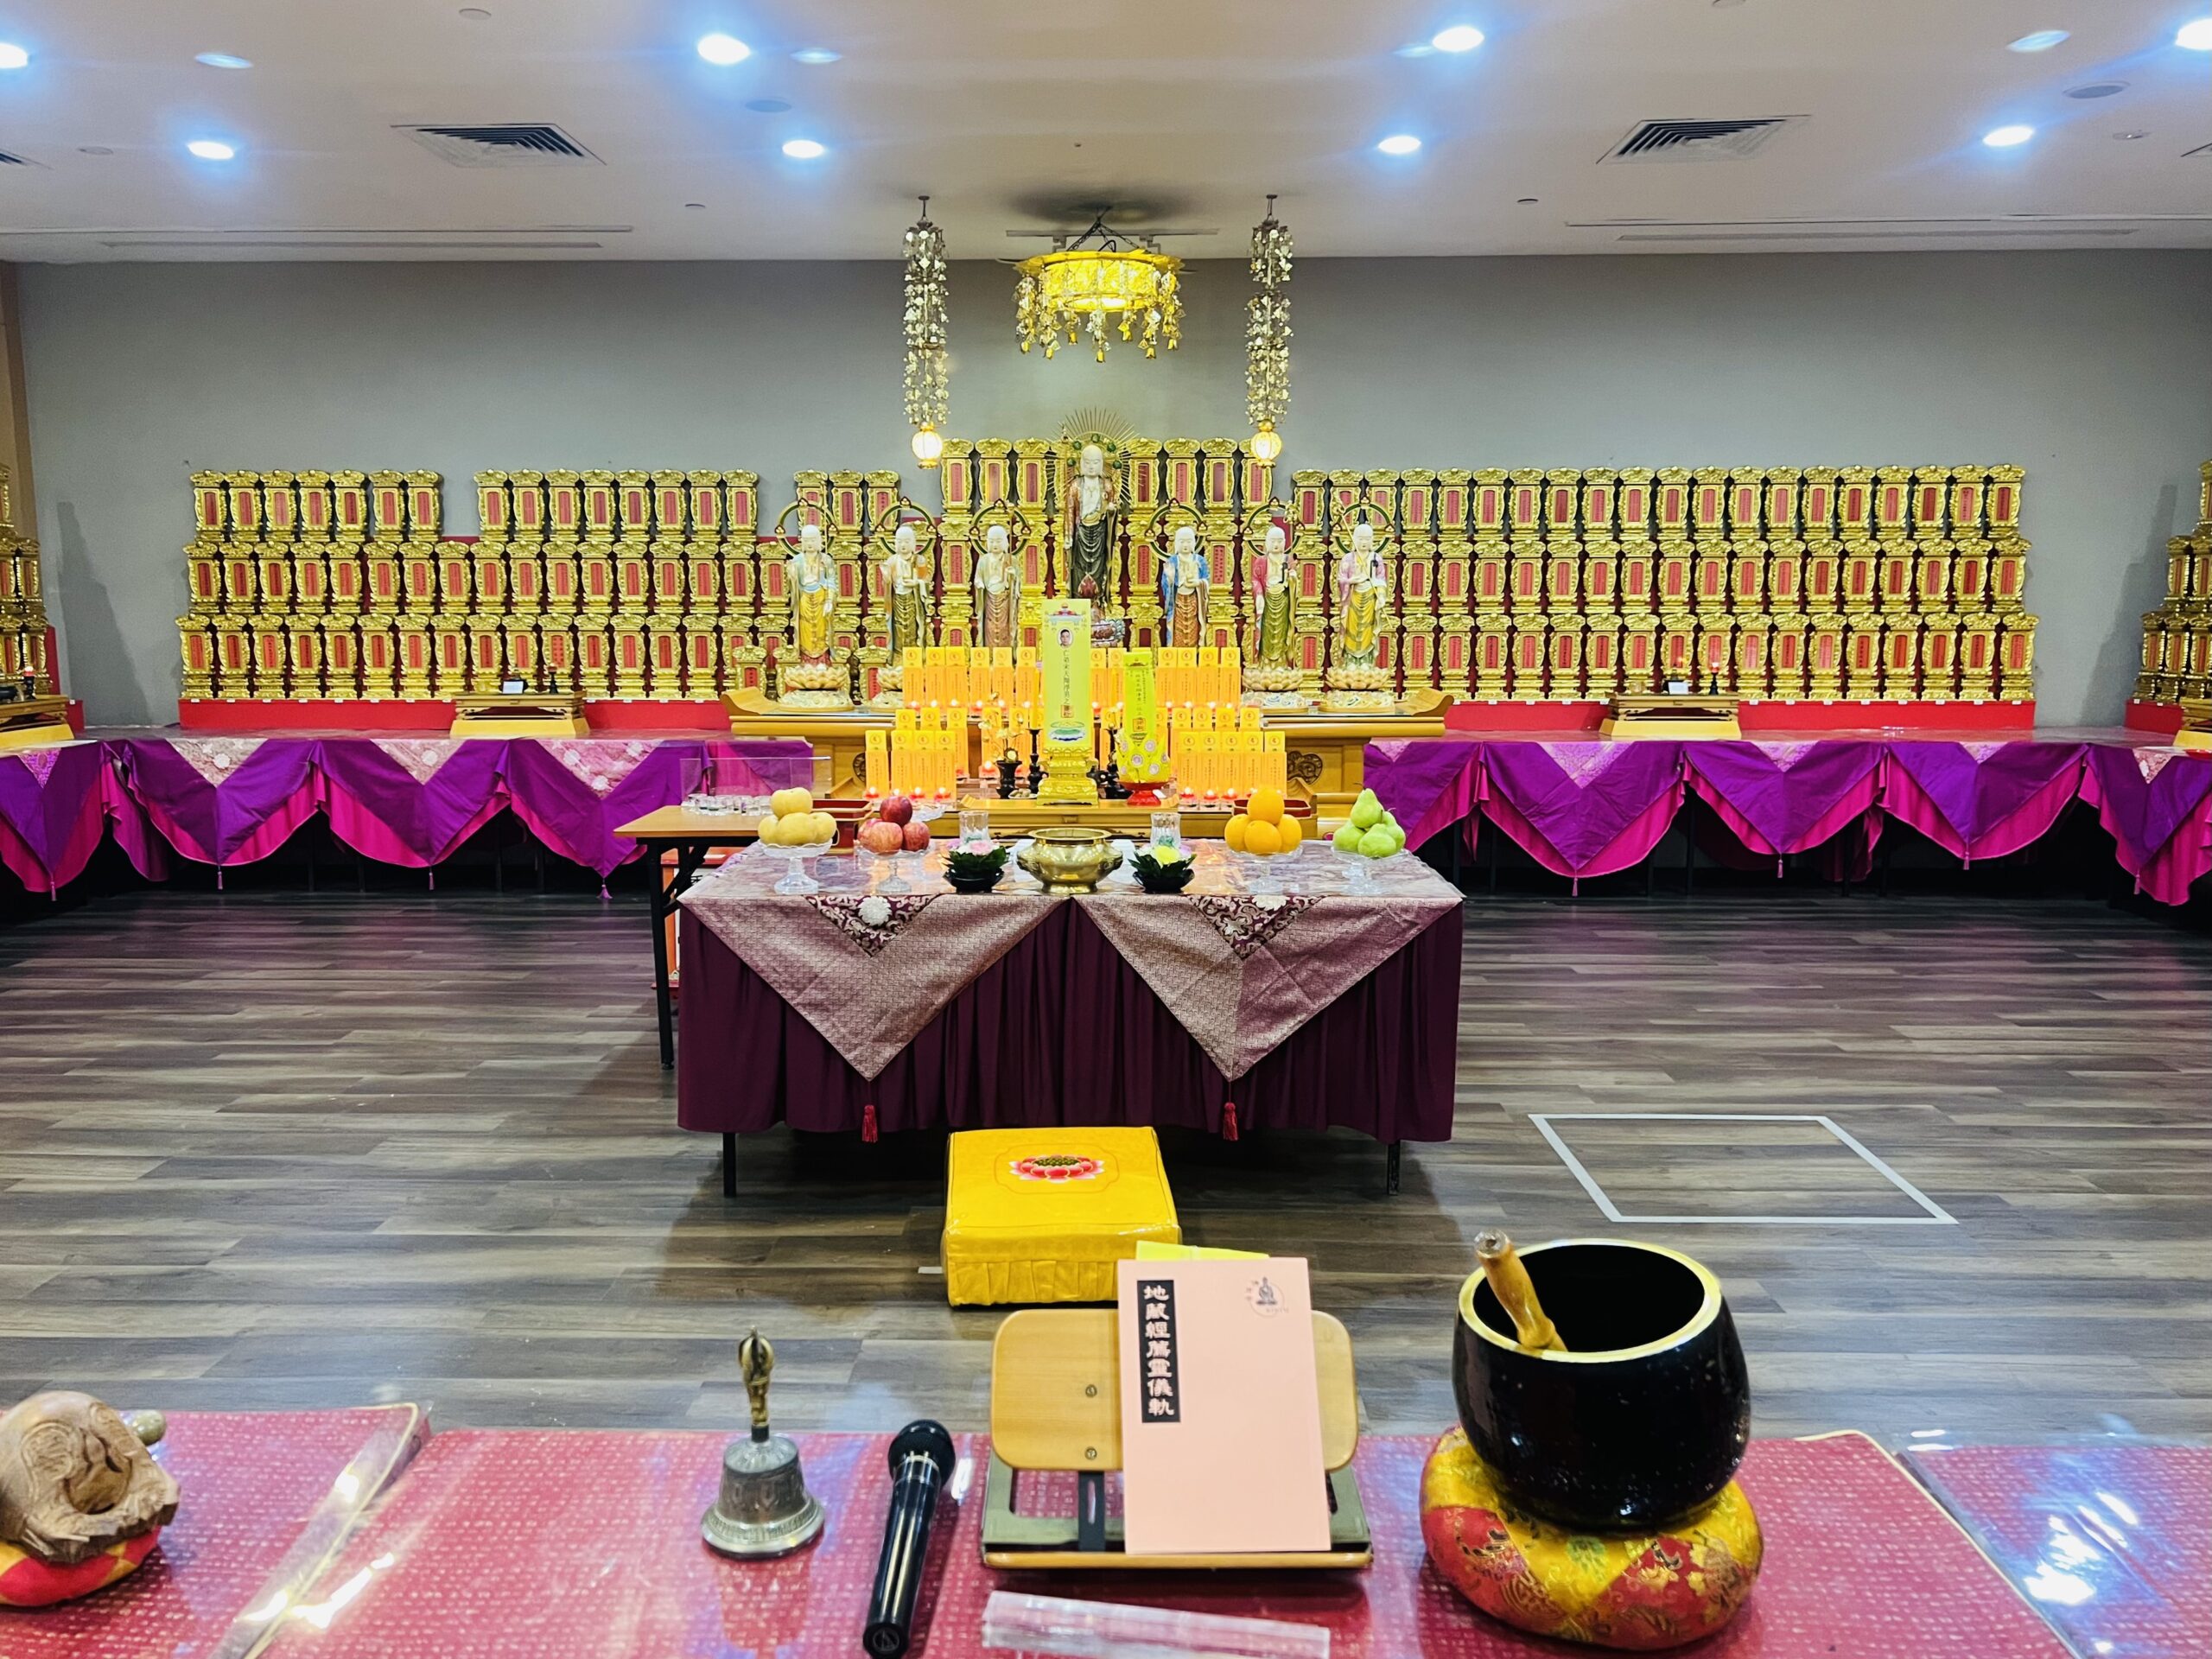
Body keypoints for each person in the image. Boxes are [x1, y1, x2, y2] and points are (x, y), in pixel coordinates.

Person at [1065, 442, 1118, 601]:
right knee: (1079, 566)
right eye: (1087, 462)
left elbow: (1114, 508)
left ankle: (1098, 601)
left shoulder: (1106, 485)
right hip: (1081, 530)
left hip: (1100, 530)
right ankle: (1078, 599)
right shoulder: (1075, 486)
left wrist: (1111, 510)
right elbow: (1069, 511)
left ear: (1101, 464)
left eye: (1095, 462)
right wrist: (1068, 535)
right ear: (1081, 463)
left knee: (1099, 566)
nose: (1091, 467)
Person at [1335, 520, 1388, 670]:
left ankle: (1366, 660)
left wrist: (1381, 597)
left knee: (1367, 629)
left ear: (1372, 540)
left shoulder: (1376, 558)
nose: (1364, 542)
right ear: (1355, 540)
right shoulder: (1348, 559)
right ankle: (1351, 660)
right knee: (1352, 628)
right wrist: (1351, 580)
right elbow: (1341, 578)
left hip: (1370, 597)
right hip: (1352, 597)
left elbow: (1381, 579)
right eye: (1360, 539)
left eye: (1367, 539)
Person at [879, 522, 929, 664]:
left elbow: (925, 580)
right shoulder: (892, 561)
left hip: (913, 600)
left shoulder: (919, 560)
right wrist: (886, 579)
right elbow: (887, 585)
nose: (903, 545)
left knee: (913, 628)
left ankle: (914, 656)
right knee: (898, 628)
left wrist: (916, 583)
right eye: (899, 541)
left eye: (907, 541)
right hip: (897, 600)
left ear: (913, 543)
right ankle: (898, 657)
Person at [1251, 519, 1296, 667]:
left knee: (1281, 631)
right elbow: (1255, 580)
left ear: (1284, 542)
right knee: (1267, 631)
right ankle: (1265, 663)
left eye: (1279, 541)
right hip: (1267, 600)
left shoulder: (1287, 559)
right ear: (1267, 543)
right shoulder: (1261, 561)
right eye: (1273, 541)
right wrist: (1258, 595)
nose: (1276, 545)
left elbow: (1294, 577)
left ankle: (1281, 663)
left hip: (1283, 600)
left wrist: (1292, 578)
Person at [789, 522, 835, 664]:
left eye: (813, 540)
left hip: (821, 597)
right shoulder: (797, 561)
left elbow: (832, 581)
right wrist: (792, 575)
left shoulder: (826, 560)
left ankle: (823, 660)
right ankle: (805, 660)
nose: (810, 543)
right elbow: (792, 583)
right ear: (802, 541)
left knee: (822, 630)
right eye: (807, 540)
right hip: (804, 599)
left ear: (819, 541)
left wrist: (829, 600)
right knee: (805, 630)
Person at [1160, 524, 1210, 650]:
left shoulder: (1200, 560)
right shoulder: (1172, 561)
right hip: (1178, 602)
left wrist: (1198, 583)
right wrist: (1170, 579)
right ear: (1177, 543)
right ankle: (1177, 656)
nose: (1185, 545)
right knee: (1178, 630)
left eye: (1188, 541)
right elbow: (1165, 583)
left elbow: (1207, 580)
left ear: (1193, 542)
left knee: (1194, 629)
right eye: (1182, 542)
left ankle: (1193, 655)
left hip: (1194, 601)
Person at [975, 523, 1017, 649]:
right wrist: (980, 584)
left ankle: (1005, 654)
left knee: (1004, 626)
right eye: (992, 541)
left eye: (998, 541)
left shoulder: (1011, 559)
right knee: (990, 626)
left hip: (1005, 599)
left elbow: (1017, 580)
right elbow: (978, 578)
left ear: (1005, 542)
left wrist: (1013, 576)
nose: (995, 545)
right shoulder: (983, 560)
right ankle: (991, 653)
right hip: (989, 599)